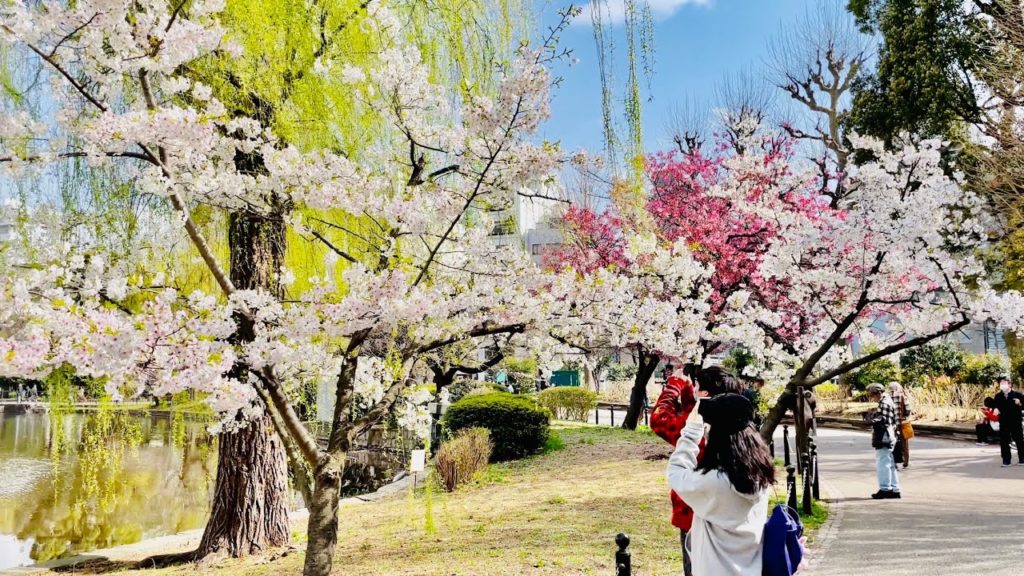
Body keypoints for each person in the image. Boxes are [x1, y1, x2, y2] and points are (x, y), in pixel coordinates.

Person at [666, 393, 774, 576]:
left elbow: (676, 472)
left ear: (718, 436)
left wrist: (691, 431)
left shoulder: (716, 482)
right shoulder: (760, 475)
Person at [650, 366, 743, 576]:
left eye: (697, 387)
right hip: (733, 515)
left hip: (695, 515)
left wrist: (674, 385)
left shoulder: (696, 426)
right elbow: (695, 407)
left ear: (705, 395)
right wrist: (688, 389)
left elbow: (659, 419)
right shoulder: (739, 425)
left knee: (697, 567)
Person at [866, 383, 901, 499]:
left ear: (878, 393)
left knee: (883, 462)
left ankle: (885, 489)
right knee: (890, 463)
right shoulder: (888, 400)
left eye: (872, 395)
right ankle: (895, 489)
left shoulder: (884, 402)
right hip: (891, 434)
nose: (871, 397)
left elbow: (884, 420)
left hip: (884, 435)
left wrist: (872, 419)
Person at [991, 374, 1024, 467]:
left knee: (1019, 440)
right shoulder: (998, 396)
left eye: (1004, 382)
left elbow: (1023, 406)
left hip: (1015, 421)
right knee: (1004, 441)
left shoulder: (1018, 395)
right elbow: (995, 406)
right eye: (1000, 383)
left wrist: (1019, 403)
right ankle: (1006, 460)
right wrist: (996, 409)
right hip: (1004, 422)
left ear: (1009, 384)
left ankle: (1022, 459)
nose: (1002, 384)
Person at [888, 381, 913, 468]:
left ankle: (894, 463)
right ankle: (906, 462)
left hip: (891, 424)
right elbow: (908, 409)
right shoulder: (902, 396)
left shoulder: (887, 397)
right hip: (902, 424)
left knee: (892, 443)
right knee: (904, 444)